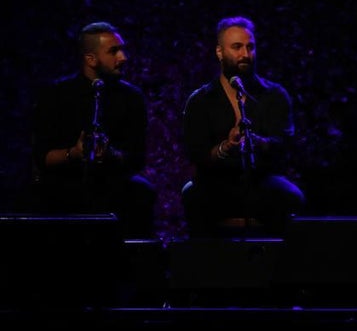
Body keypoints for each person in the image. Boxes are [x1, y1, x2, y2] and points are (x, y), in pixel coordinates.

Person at [30, 21, 157, 238]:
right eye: (113, 51)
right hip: (65, 180)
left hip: (112, 182)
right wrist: (74, 154)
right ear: (90, 59)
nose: (123, 57)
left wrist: (110, 155)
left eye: (122, 50)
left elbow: (137, 158)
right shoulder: (56, 95)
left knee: (140, 192)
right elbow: (41, 157)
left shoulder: (131, 98)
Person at [181, 16, 305, 237]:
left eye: (250, 47)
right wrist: (226, 147)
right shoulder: (200, 100)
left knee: (292, 197)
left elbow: (286, 144)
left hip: (262, 180)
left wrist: (258, 143)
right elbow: (196, 153)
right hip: (215, 182)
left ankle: (276, 257)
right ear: (219, 52)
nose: (245, 54)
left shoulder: (274, 95)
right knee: (193, 196)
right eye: (237, 47)